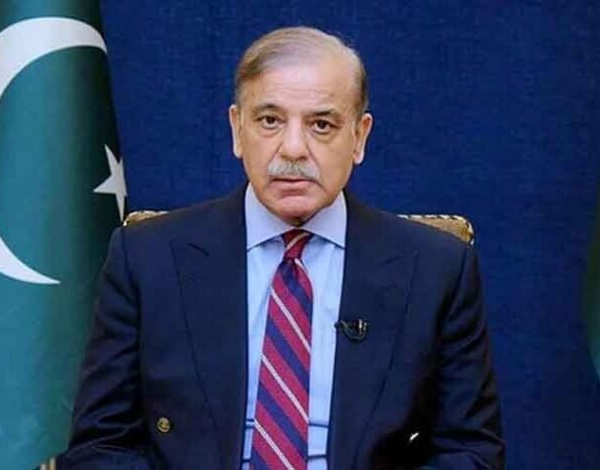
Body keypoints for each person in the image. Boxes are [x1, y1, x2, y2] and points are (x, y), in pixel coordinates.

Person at [60, 26, 504, 469]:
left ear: (359, 137)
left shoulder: (436, 269)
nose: (293, 149)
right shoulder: (148, 258)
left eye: (321, 125)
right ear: (237, 129)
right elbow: (100, 448)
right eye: (270, 121)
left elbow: (472, 454)